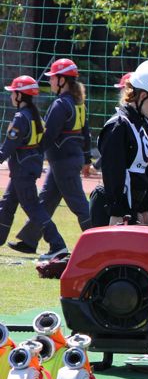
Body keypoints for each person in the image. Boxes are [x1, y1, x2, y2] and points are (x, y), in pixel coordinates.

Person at [8, 59, 92, 260]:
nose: (51, 81)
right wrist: (87, 158)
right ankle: (30, 240)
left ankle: (102, 244)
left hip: (63, 163)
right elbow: (86, 133)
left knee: (79, 205)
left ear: (62, 80)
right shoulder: (78, 103)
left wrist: (32, 154)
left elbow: (48, 135)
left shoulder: (60, 104)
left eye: (53, 78)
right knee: (46, 200)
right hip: (66, 161)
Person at [93, 62, 148, 227]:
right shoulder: (119, 125)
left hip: (129, 209)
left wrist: (141, 209)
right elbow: (113, 172)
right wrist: (116, 212)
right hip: (113, 211)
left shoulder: (139, 123)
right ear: (143, 95)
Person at [0, 76, 67, 256]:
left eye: (13, 93)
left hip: (22, 170)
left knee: (33, 208)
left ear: (19, 95)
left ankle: (57, 245)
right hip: (27, 168)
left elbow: (8, 146)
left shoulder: (20, 118)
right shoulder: (34, 116)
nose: (11, 96)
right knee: (7, 204)